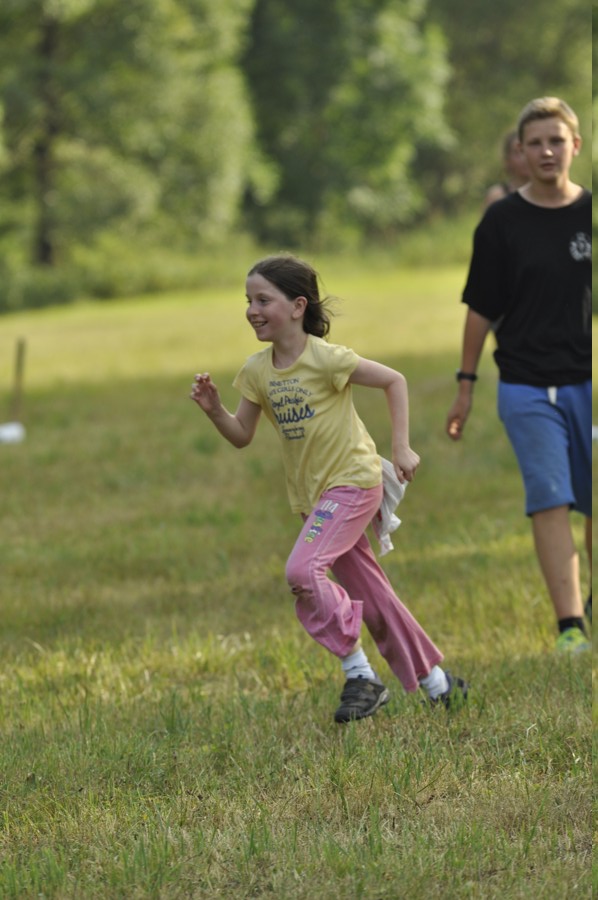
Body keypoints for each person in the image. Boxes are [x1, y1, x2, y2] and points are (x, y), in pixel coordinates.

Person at [191, 254, 468, 723]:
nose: (252, 310)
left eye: (263, 300)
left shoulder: (326, 358)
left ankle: (360, 674)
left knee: (302, 571)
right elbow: (241, 435)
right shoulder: (257, 371)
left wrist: (401, 447)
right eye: (248, 301)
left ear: (298, 306)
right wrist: (216, 410)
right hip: (314, 500)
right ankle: (439, 686)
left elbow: (394, 381)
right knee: (373, 597)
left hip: (353, 484)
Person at [446, 97, 592, 651]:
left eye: (556, 140)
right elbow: (480, 308)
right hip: (525, 384)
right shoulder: (501, 221)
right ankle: (570, 626)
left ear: (575, 145)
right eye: (536, 143)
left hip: (587, 383)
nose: (547, 151)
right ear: (521, 153)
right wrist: (465, 386)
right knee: (550, 498)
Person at [484, 129, 530, 208]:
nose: (524, 158)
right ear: (507, 159)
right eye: (517, 153)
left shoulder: (549, 193)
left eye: (527, 151)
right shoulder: (497, 196)